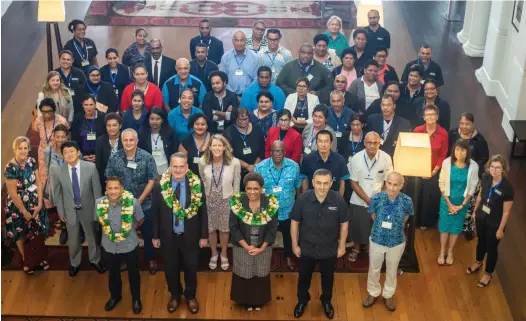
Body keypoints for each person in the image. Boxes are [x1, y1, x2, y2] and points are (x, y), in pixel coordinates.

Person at [152, 153, 208, 314]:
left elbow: (203, 212)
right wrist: (155, 236)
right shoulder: (158, 186)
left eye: (181, 166)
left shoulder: (196, 184)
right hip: (168, 237)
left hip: (190, 236)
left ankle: (190, 296)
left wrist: (204, 235)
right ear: (170, 167)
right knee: (170, 268)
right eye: (175, 166)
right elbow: (155, 213)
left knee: (191, 267)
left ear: (187, 167)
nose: (178, 169)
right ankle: (175, 295)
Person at [291, 168, 348, 319]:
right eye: (318, 183)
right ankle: (302, 300)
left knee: (328, 278)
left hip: (329, 248)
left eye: (325, 183)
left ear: (331, 183)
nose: (322, 187)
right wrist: (294, 244)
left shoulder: (338, 200)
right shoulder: (302, 199)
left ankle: (326, 301)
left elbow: (344, 223)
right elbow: (295, 222)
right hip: (306, 247)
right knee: (304, 277)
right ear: (312, 183)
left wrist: (342, 245)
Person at [105, 129, 158, 275]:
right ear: (121, 141)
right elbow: (109, 179)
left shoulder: (146, 157)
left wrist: (138, 201)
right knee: (125, 233)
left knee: (148, 232)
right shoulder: (114, 157)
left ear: (137, 141)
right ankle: (125, 259)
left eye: (131, 140)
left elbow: (151, 180)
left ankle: (150, 258)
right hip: (121, 204)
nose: (128, 143)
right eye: (125, 140)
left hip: (144, 202)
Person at [50, 140, 105, 276]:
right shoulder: (58, 171)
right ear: (62, 155)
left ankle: (95, 259)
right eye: (66, 152)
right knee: (73, 240)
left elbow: (97, 191)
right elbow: (58, 194)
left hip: (88, 209)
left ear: (78, 152)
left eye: (72, 151)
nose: (69, 154)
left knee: (92, 236)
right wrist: (61, 211)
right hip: (69, 212)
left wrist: (98, 210)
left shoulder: (90, 168)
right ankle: (75, 262)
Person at [362, 172, 411, 312]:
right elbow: (373, 215)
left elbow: (406, 217)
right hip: (377, 238)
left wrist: (394, 227)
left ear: (401, 185)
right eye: (389, 183)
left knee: (392, 269)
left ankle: (388, 294)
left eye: (396, 185)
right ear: (385, 183)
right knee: (374, 268)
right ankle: (373, 292)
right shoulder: (376, 198)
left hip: (397, 241)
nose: (392, 187)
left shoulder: (407, 200)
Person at [229, 172, 278, 310]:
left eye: (256, 188)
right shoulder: (237, 202)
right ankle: (245, 300)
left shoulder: (270, 203)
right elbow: (233, 227)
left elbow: (273, 227)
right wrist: (246, 246)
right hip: (242, 245)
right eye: (249, 188)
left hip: (263, 245)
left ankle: (259, 301)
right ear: (245, 189)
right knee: (244, 271)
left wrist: (262, 247)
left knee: (260, 272)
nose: (252, 192)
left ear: (261, 188)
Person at [97, 177, 144, 314]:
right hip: (109, 245)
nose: (113, 191)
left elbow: (140, 220)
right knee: (113, 273)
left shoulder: (133, 203)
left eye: (116, 188)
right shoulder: (99, 203)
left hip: (129, 244)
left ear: (122, 189)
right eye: (110, 188)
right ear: (106, 190)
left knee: (133, 273)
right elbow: (99, 221)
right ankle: (115, 296)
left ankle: (136, 299)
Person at [466, 155, 514, 288]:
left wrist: (500, 229)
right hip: (482, 217)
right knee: (481, 241)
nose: (494, 170)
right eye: (492, 166)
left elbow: (506, 212)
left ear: (503, 169)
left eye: (498, 167)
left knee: (491, 248)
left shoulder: (507, 188)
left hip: (495, 223)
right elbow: (480, 195)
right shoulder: (486, 178)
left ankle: (488, 273)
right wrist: (475, 212)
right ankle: (478, 261)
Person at [4, 136, 50, 275]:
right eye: (20, 148)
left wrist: (40, 202)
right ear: (15, 149)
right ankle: (26, 259)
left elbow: (38, 183)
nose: (23, 151)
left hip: (34, 200)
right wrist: (24, 211)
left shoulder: (32, 161)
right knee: (21, 232)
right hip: (18, 206)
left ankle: (38, 256)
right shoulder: (10, 167)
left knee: (37, 230)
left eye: (25, 148)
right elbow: (12, 193)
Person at [255, 141, 302, 270]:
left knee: (289, 235)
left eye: (281, 151)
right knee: (267, 236)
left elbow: (298, 186)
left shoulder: (294, 166)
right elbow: (255, 189)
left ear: (285, 152)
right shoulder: (260, 167)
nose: (278, 154)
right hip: (268, 210)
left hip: (288, 210)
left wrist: (298, 205)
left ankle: (288, 256)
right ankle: (266, 257)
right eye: (275, 151)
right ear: (270, 152)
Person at [348, 132, 393, 262]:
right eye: (369, 142)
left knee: (374, 226)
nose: (372, 145)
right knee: (357, 226)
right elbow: (353, 183)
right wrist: (368, 200)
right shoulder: (356, 158)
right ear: (364, 143)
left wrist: (376, 200)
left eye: (375, 143)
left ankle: (370, 248)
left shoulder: (386, 158)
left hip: (379, 199)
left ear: (380, 143)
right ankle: (356, 248)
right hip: (359, 198)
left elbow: (388, 182)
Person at [198, 135, 241, 270]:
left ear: (224, 147)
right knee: (210, 228)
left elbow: (237, 185)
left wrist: (235, 202)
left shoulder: (234, 162)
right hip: (209, 200)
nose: (217, 148)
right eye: (214, 145)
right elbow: (202, 179)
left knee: (224, 229)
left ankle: (223, 253)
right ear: (209, 147)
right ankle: (213, 253)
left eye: (219, 145)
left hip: (226, 200)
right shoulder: (202, 161)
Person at [438, 140, 479, 265]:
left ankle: (450, 251)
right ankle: (441, 251)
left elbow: (472, 187)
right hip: (447, 201)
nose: (459, 153)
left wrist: (461, 205)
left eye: (462, 150)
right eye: (457, 149)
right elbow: (441, 183)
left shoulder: (473, 166)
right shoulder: (447, 162)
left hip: (462, 202)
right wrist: (449, 204)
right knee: (444, 227)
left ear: (467, 152)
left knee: (456, 228)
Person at [448, 113, 490, 238]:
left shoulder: (480, 140)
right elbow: (448, 153)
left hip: (471, 176)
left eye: (467, 124)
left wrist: (468, 169)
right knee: (453, 199)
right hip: (454, 174)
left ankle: (466, 228)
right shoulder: (453, 134)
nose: (464, 126)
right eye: (462, 123)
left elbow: (483, 159)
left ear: (473, 124)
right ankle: (451, 225)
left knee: (468, 204)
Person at [413, 105, 449, 229]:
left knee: (429, 197)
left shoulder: (443, 133)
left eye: (432, 114)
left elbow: (442, 155)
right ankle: (414, 221)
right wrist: (418, 169)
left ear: (437, 117)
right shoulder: (417, 130)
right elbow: (413, 150)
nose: (430, 117)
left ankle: (426, 222)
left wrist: (433, 172)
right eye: (427, 115)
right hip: (417, 170)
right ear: (423, 117)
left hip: (434, 171)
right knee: (416, 194)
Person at [223, 108, 265, 189]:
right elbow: (229, 155)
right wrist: (247, 166)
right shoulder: (228, 133)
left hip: (257, 170)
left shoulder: (257, 129)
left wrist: (254, 167)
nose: (243, 121)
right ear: (235, 119)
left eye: (245, 119)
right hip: (237, 171)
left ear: (249, 118)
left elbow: (262, 151)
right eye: (240, 119)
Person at [34, 98, 69, 192]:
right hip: (43, 152)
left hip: (58, 152)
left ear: (53, 110)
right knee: (44, 176)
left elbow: (66, 136)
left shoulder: (61, 120)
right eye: (43, 111)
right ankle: (46, 202)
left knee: (58, 175)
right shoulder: (38, 121)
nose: (46, 114)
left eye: (49, 111)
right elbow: (37, 133)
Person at [301, 130, 349, 196]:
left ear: (331, 143)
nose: (323, 145)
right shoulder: (307, 159)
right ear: (316, 143)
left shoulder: (340, 160)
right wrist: (305, 199)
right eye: (320, 141)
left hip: (333, 196)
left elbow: (342, 183)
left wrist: (339, 201)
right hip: (312, 196)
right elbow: (305, 181)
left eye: (326, 141)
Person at [44, 125, 69, 242]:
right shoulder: (48, 151)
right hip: (56, 185)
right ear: (53, 137)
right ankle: (64, 229)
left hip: (70, 185)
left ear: (67, 137)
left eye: (63, 137)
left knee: (72, 207)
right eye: (57, 136)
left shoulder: (72, 149)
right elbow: (47, 168)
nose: (60, 139)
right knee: (60, 207)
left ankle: (76, 229)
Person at [138, 107, 179, 175]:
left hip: (167, 169)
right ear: (148, 119)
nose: (155, 121)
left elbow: (174, 150)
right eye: (152, 119)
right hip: (148, 170)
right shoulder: (142, 133)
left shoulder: (169, 132)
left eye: (158, 119)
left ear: (162, 120)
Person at [221, 31, 259, 96]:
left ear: (246, 41)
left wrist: (247, 93)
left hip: (249, 95)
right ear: (233, 41)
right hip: (229, 95)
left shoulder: (255, 57)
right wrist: (232, 95)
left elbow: (256, 79)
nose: (239, 43)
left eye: (242, 40)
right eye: (237, 40)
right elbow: (223, 78)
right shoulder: (225, 57)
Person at [71, 94, 106, 163]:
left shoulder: (103, 117)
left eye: (91, 104)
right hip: (82, 157)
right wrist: (81, 155)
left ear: (95, 104)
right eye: (86, 105)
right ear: (82, 105)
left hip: (100, 157)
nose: (88, 107)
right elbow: (74, 139)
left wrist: (99, 155)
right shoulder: (78, 118)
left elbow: (106, 139)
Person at [95, 112, 123, 189]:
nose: (111, 128)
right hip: (106, 181)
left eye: (114, 125)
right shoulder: (100, 141)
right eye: (109, 125)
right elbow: (99, 165)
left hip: (124, 180)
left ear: (120, 126)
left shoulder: (126, 140)